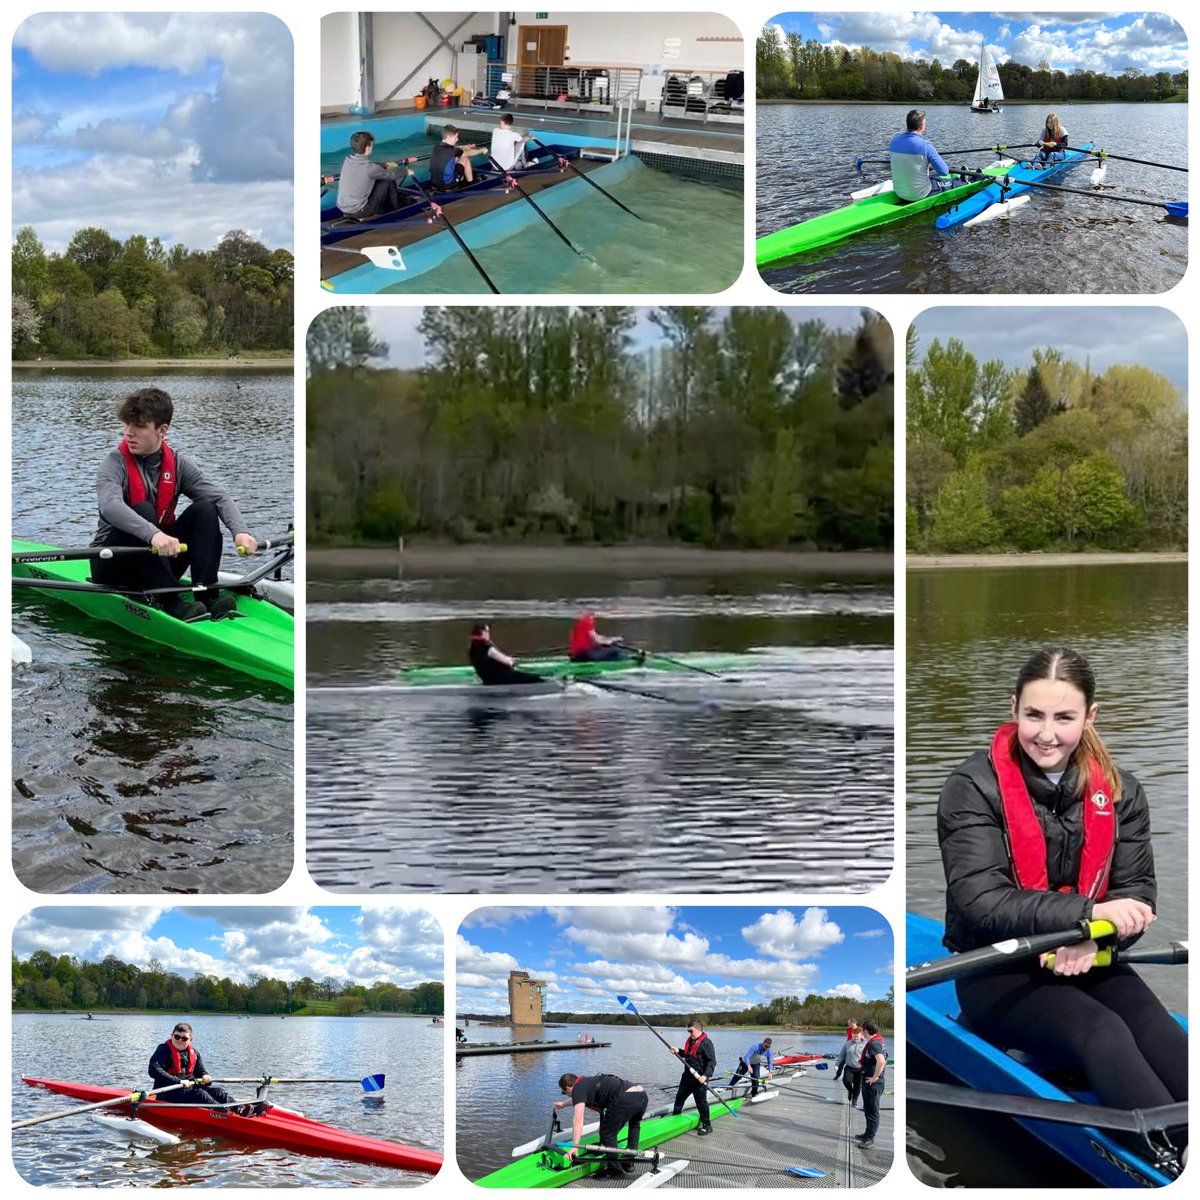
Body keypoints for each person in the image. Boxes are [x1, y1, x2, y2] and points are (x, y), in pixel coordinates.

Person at [938, 646, 1187, 1168]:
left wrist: (1094, 936)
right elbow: (980, 900)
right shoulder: (971, 788)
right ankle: (1169, 1164)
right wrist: (1085, 920)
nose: (1046, 733)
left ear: (1090, 717)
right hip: (995, 964)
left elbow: (1137, 895)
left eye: (1064, 717)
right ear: (1014, 710)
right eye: (1034, 715)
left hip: (1090, 954)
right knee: (1102, 1032)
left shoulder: (1122, 793)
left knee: (1157, 1027)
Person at [91, 388, 259, 622]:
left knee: (205, 509)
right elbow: (110, 506)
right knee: (143, 510)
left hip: (157, 559)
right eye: (127, 424)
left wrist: (240, 531)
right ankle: (170, 602)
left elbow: (218, 496)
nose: (128, 433)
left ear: (162, 430)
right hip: (112, 564)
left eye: (139, 426)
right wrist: (153, 534)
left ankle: (207, 594)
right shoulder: (113, 463)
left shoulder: (178, 464)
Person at [150, 1022, 259, 1117]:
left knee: (218, 1092)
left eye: (184, 1038)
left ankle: (239, 1109)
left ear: (190, 1040)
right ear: (172, 1036)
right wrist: (178, 1081)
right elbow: (153, 1070)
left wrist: (205, 1076)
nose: (179, 1040)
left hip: (188, 1090)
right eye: (177, 1037)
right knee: (199, 1094)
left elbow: (201, 1071)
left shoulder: (194, 1053)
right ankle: (225, 1114)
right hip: (167, 1092)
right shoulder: (163, 1050)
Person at [556, 1072, 648, 1177]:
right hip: (641, 1095)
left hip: (626, 1097)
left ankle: (614, 1170)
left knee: (607, 1134)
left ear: (568, 1088)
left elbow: (578, 1119)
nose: (567, 1094)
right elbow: (579, 1099)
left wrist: (575, 1147)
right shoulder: (586, 1082)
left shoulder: (578, 1088)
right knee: (634, 1125)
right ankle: (629, 1161)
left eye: (564, 1092)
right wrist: (563, 1104)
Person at [336, 130, 411, 216]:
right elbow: (390, 175)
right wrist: (406, 171)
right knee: (388, 181)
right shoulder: (370, 168)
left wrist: (385, 165)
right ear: (368, 147)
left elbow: (366, 167)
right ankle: (397, 209)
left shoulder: (348, 160)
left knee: (378, 178)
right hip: (360, 210)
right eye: (371, 144)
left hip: (342, 207)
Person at [888, 109, 954, 202]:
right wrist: (929, 164)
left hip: (899, 193)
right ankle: (968, 181)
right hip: (920, 195)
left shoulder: (894, 141)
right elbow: (944, 172)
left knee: (932, 178)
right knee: (952, 182)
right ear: (922, 126)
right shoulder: (925, 146)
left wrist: (925, 163)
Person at [670, 1018, 716, 1135]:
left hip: (699, 1079)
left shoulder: (707, 1043)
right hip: (687, 1077)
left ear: (699, 1029)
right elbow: (688, 1054)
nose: (689, 1033)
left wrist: (705, 1076)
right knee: (679, 1100)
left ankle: (707, 1125)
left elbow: (712, 1062)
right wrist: (678, 1051)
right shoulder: (691, 1041)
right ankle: (674, 1120)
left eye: (691, 1031)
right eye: (688, 1031)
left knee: (701, 1102)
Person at [469, 623, 545, 686]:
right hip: (503, 679)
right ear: (483, 633)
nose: (488, 634)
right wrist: (511, 660)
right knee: (536, 678)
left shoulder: (472, 649)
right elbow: (507, 661)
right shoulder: (487, 648)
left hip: (488, 680)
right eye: (487, 631)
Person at [854, 1020, 887, 1147]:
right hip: (869, 1082)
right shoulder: (876, 1041)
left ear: (867, 1031)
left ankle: (870, 1139)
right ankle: (867, 1134)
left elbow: (881, 1061)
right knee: (868, 1109)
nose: (862, 1032)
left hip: (873, 1083)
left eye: (863, 1030)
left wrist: (874, 1077)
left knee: (872, 1111)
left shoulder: (875, 1044)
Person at [568, 611, 642, 664]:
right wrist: (609, 642)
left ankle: (621, 658)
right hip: (585, 655)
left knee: (604, 648)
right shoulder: (587, 623)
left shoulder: (579, 625)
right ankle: (622, 662)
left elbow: (596, 637)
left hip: (576, 654)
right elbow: (597, 640)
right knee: (615, 650)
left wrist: (611, 639)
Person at [834, 1025, 865, 1108]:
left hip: (860, 1069)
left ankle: (854, 1100)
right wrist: (837, 1065)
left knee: (857, 1085)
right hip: (849, 1067)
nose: (855, 1038)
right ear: (852, 1036)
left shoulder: (865, 1044)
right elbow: (841, 1055)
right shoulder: (847, 1044)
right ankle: (850, 1091)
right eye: (854, 1037)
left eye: (857, 1036)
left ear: (861, 1035)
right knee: (846, 1081)